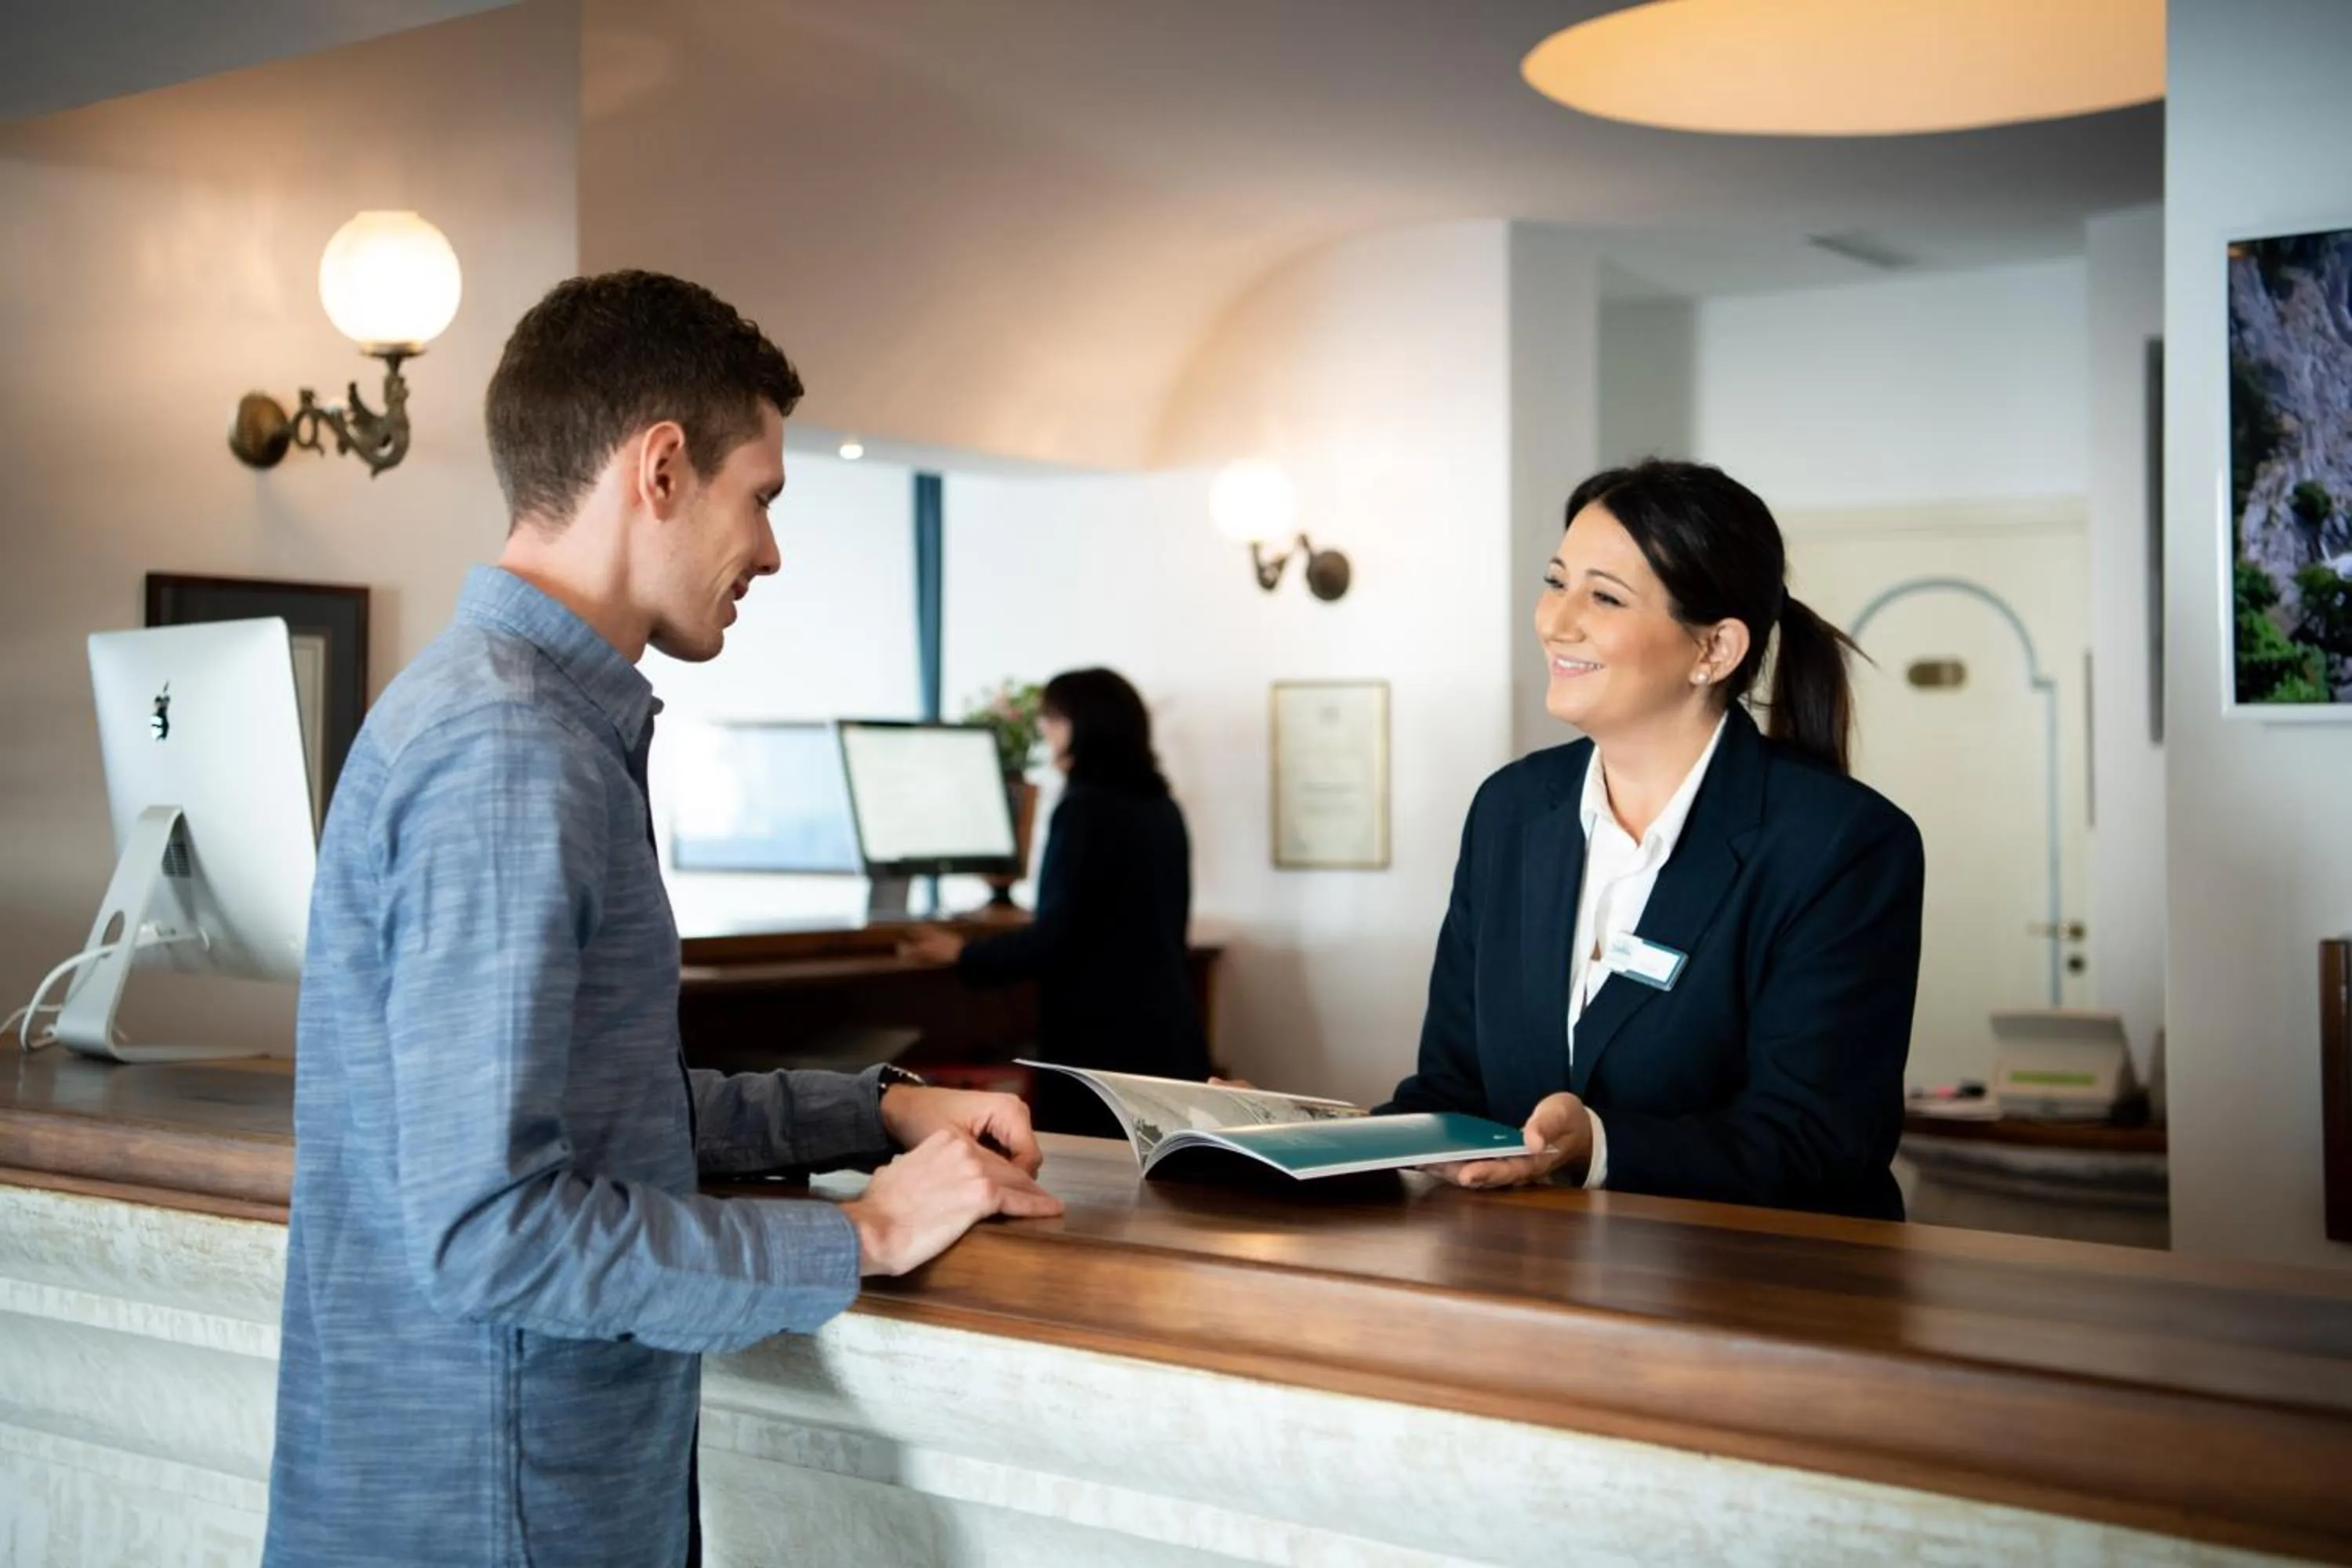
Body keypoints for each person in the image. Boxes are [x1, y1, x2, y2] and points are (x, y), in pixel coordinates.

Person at [263, 270, 1062, 1568]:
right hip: (502, 1521)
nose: (773, 551)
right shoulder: (512, 752)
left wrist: (875, 1112)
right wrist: (864, 1232)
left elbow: (601, 1116)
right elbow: (493, 1230)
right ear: (662, 467)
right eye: (763, 497)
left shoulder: (501, 716)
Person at [1381, 459, 1924, 1221]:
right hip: (1531, 1275)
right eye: (1556, 581)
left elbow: (1818, 1139)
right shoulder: (1510, 811)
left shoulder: (1841, 843)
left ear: (1715, 649)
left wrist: (1597, 1146)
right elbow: (1451, 1090)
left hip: (1763, 1280)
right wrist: (1281, 1137)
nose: (1556, 621)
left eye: (1603, 596)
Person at [904, 668, 1209, 1133]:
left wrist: (963, 953)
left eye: (1051, 720)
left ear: (1078, 728)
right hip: (1169, 1043)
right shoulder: (1162, 807)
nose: (1046, 733)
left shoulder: (1084, 810)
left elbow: (1055, 939)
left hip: (1102, 1054)